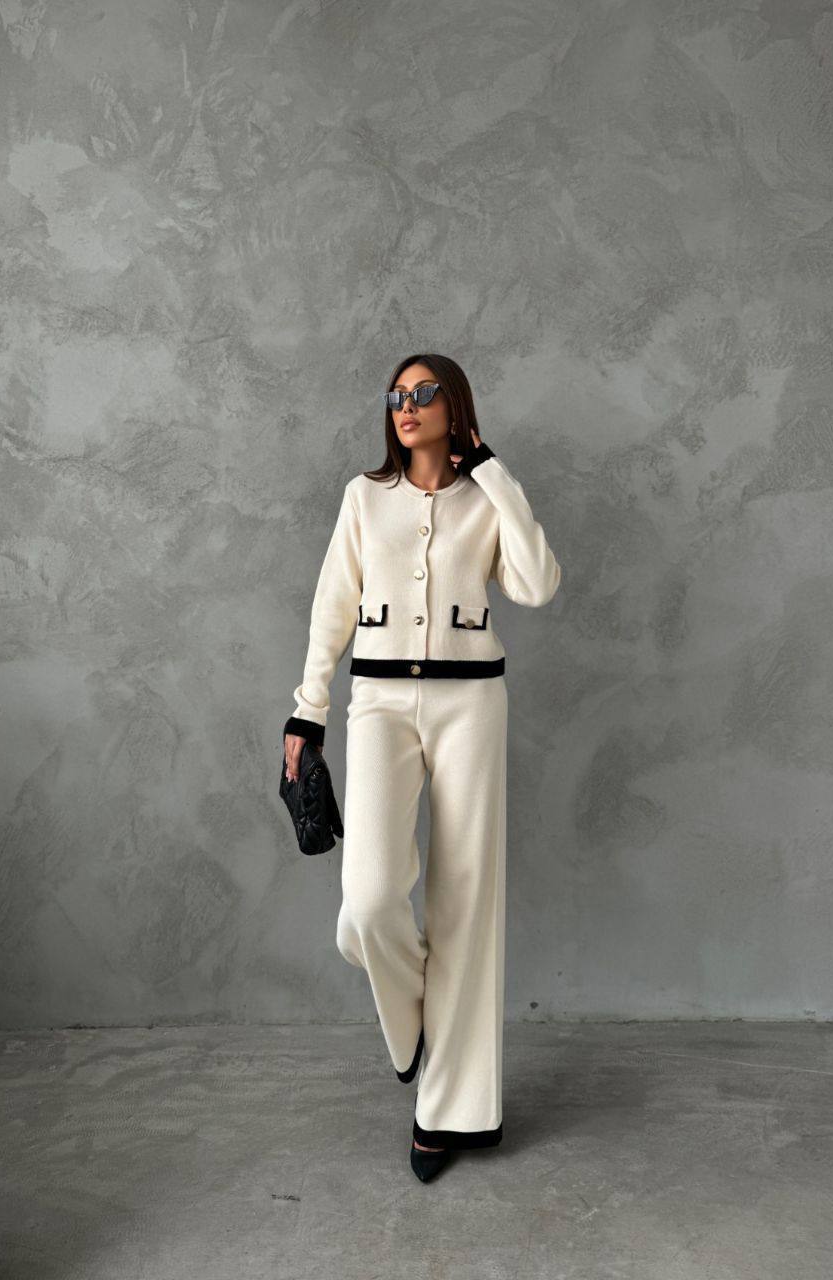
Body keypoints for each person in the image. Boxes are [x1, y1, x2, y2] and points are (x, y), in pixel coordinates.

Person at [283, 353, 561, 1182]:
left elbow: (539, 585)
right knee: (369, 897)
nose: (407, 407)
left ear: (456, 406)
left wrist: (495, 471)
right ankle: (412, 1035)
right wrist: (308, 709)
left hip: (472, 703)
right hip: (378, 705)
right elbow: (333, 604)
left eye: (424, 392)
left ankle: (451, 1109)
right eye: (397, 396)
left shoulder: (485, 500)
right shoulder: (364, 498)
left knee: (466, 899)